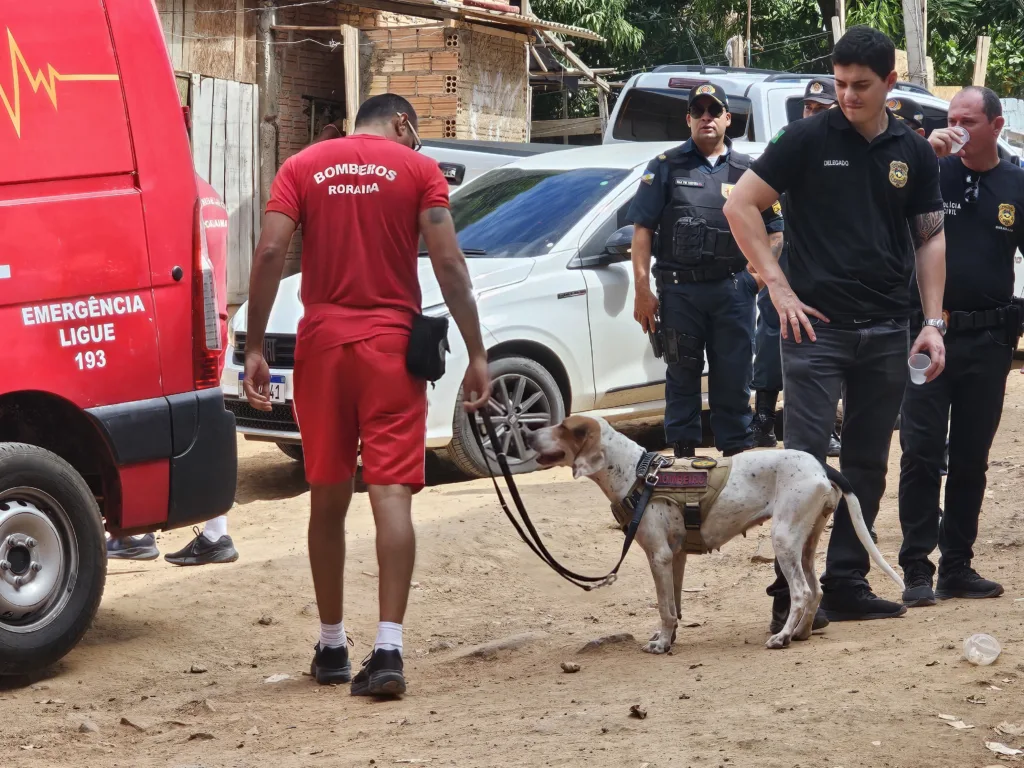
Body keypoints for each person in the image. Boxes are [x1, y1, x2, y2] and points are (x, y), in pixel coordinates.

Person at [242, 93, 490, 697]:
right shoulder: (419, 171)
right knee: (390, 495)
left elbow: (271, 249)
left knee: (327, 494)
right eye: (417, 134)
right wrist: (478, 351)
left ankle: (331, 646)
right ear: (403, 123)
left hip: (323, 348)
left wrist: (253, 345)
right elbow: (449, 262)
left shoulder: (303, 165)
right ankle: (387, 651)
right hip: (390, 349)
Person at [724, 25, 947, 625]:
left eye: (861, 86)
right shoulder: (805, 138)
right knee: (801, 465)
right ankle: (789, 596)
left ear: (890, 84)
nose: (847, 96)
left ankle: (846, 582)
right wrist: (777, 286)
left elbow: (930, 237)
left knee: (868, 459)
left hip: (886, 328)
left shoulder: (914, 151)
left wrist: (931, 322)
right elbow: (739, 205)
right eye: (841, 84)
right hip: (813, 331)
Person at [897, 86, 1024, 607]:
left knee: (971, 456)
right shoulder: (928, 170)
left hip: (990, 337)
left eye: (969, 120)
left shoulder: (1016, 181)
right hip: (930, 335)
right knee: (921, 452)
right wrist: (927, 153)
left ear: (996, 126)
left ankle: (957, 566)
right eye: (952, 119)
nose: (958, 128)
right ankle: (916, 568)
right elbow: (885, 213)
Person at [628, 81, 784, 459]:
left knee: (733, 378)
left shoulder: (749, 171)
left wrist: (756, 279)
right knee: (681, 376)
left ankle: (737, 459)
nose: (706, 118)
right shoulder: (665, 167)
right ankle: (684, 460)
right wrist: (642, 289)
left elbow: (776, 233)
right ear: (688, 120)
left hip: (733, 291)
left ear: (728, 119)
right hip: (680, 292)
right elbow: (642, 231)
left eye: (714, 111)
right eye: (698, 112)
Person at [107, 177, 238, 565]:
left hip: (185, 326)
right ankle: (208, 534)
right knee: (204, 420)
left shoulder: (172, 190)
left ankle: (146, 533)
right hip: (212, 322)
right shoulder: (210, 193)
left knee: (149, 422)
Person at [750, 77, 842, 458]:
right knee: (772, 336)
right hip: (789, 257)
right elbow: (753, 200)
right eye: (809, 107)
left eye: (822, 109)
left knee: (825, 340)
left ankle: (827, 426)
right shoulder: (790, 142)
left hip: (831, 263)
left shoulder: (847, 150)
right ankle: (763, 420)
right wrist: (764, 263)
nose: (812, 114)